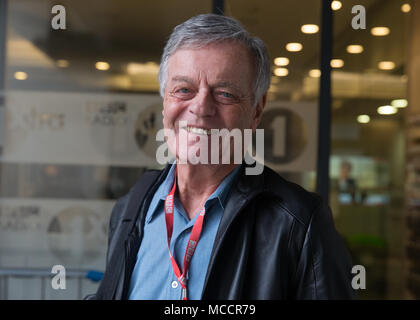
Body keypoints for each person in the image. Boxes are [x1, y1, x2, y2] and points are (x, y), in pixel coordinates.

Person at [86, 13, 356, 300]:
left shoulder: (299, 224)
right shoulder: (132, 207)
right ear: (165, 99)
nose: (201, 108)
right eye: (184, 90)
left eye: (225, 94)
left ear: (256, 110)